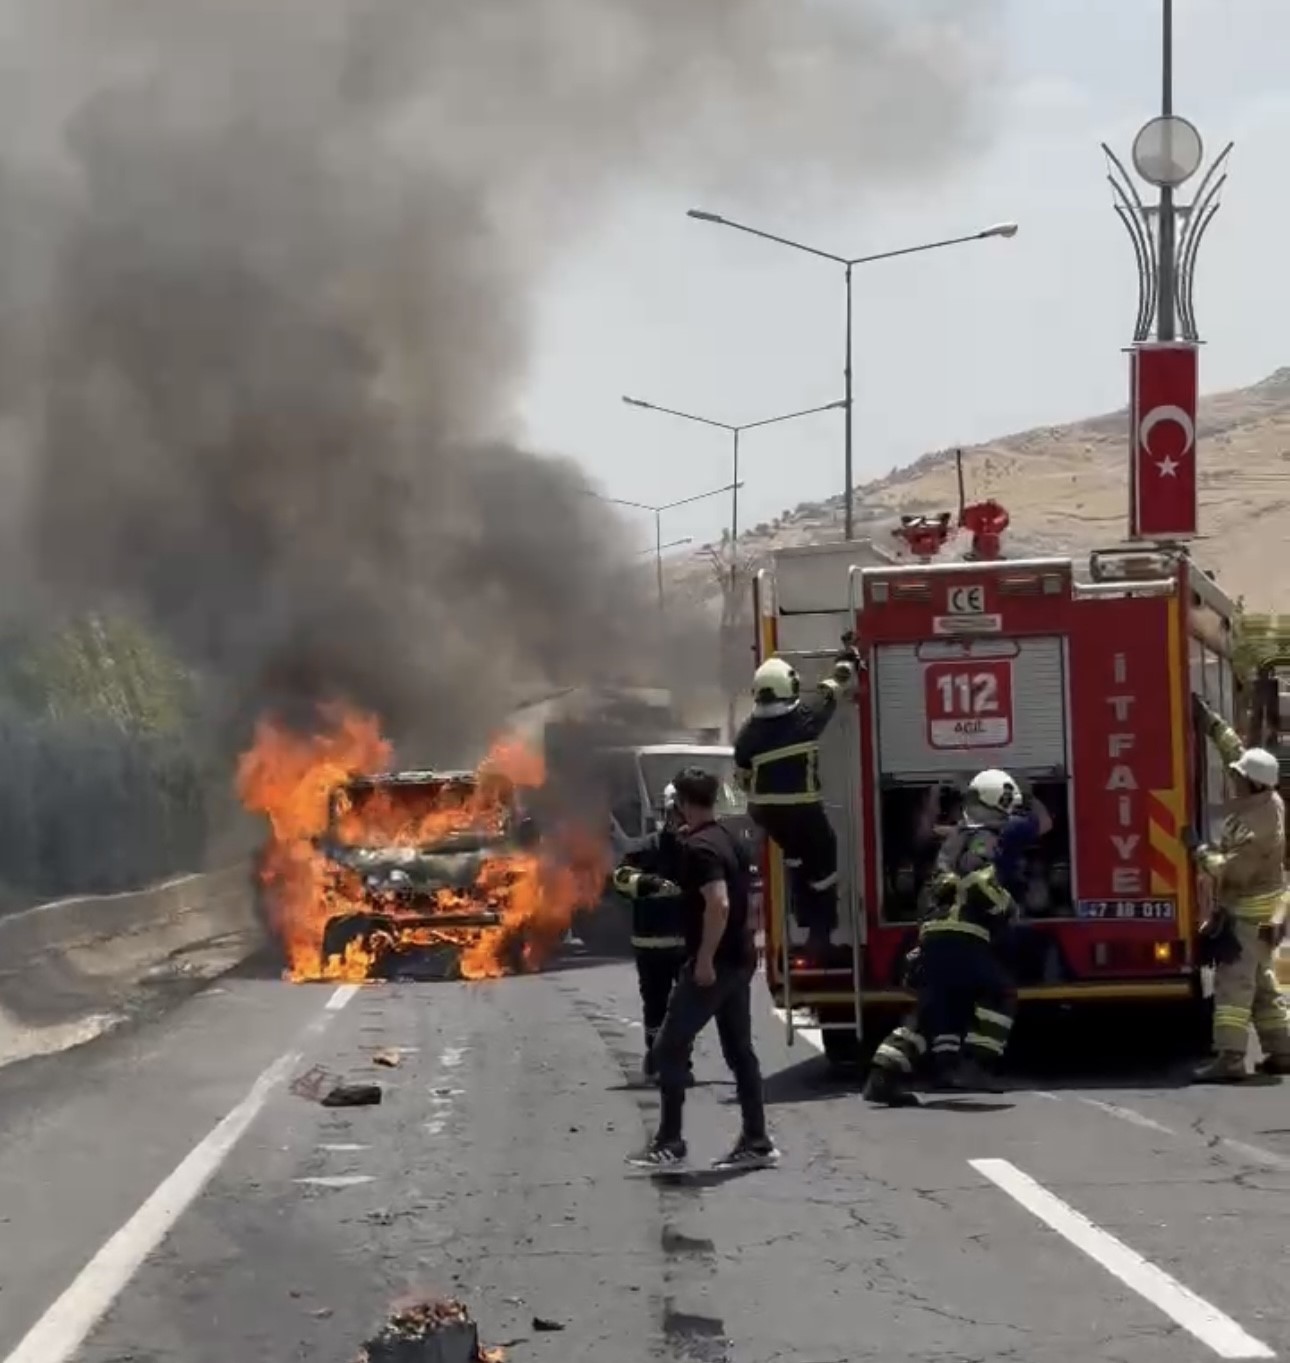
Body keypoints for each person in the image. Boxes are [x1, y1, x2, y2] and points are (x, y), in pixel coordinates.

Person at [863, 768, 1049, 1106]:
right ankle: (975, 1064)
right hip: (963, 933)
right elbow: (979, 881)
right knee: (1000, 992)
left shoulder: (953, 837)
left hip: (933, 935)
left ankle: (882, 1077)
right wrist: (1006, 908)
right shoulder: (986, 838)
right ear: (1001, 802)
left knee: (930, 1010)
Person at [628, 766, 777, 1171]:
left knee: (668, 1050)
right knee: (739, 1051)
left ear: (680, 803)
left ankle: (670, 1141)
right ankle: (756, 1138)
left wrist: (706, 959)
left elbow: (720, 903)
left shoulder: (701, 848)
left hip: (716, 964)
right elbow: (752, 903)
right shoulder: (731, 838)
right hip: (741, 959)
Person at [1185, 696, 1290, 1083]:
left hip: (1248, 912)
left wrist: (1197, 851)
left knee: (1234, 984)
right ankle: (1282, 1051)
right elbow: (1240, 752)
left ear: (1251, 781)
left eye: (1237, 774)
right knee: (1261, 983)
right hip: (1263, 914)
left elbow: (1232, 872)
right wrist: (1211, 722)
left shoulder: (1258, 823)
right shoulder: (1264, 797)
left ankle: (1230, 1058)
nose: (1232, 775)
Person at [733, 645, 860, 964]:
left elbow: (742, 772)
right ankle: (821, 934)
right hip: (802, 808)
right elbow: (831, 690)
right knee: (824, 857)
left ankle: (802, 919)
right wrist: (846, 661)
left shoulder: (748, 732)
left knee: (797, 859)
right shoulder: (805, 719)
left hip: (766, 814)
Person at [611, 782, 692, 1086]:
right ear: (666, 814)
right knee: (655, 1008)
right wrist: (650, 884)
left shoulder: (699, 850)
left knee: (684, 1009)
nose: (679, 820)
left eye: (683, 813)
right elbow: (619, 878)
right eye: (674, 813)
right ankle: (658, 1061)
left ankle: (681, 1063)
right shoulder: (646, 848)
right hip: (650, 947)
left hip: (686, 946)